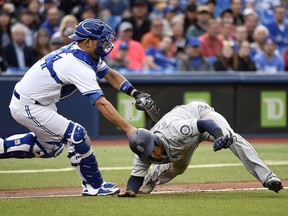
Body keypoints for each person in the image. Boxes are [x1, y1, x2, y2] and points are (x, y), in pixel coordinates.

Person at [0, 18, 159, 196]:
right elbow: (100, 102)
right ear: (88, 42)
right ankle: (93, 186)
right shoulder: (77, 64)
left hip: (38, 102)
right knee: (76, 135)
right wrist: (129, 129)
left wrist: (135, 93)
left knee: (50, 148)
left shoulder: (86, 53)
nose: (106, 44)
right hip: (29, 104)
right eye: (101, 40)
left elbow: (111, 75)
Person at [118, 101, 283, 197]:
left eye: (151, 151)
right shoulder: (142, 154)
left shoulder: (175, 130)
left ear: (155, 141)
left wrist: (218, 136)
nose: (151, 156)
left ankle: (268, 177)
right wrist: (130, 191)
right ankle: (152, 179)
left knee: (231, 138)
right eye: (146, 154)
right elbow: (135, 177)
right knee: (178, 168)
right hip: (184, 143)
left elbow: (205, 124)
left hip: (201, 117)